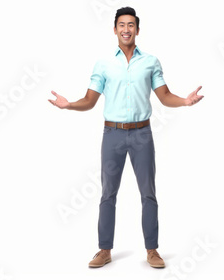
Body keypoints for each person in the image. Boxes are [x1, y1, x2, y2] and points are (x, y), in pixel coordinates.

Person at [49, 6, 203, 268]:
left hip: (142, 134)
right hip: (113, 135)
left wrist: (185, 102)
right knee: (108, 193)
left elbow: (165, 96)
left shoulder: (151, 61)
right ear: (114, 29)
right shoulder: (104, 64)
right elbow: (89, 100)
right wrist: (70, 105)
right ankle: (104, 250)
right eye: (122, 24)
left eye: (131, 25)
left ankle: (152, 250)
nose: (126, 29)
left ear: (138, 30)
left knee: (148, 194)